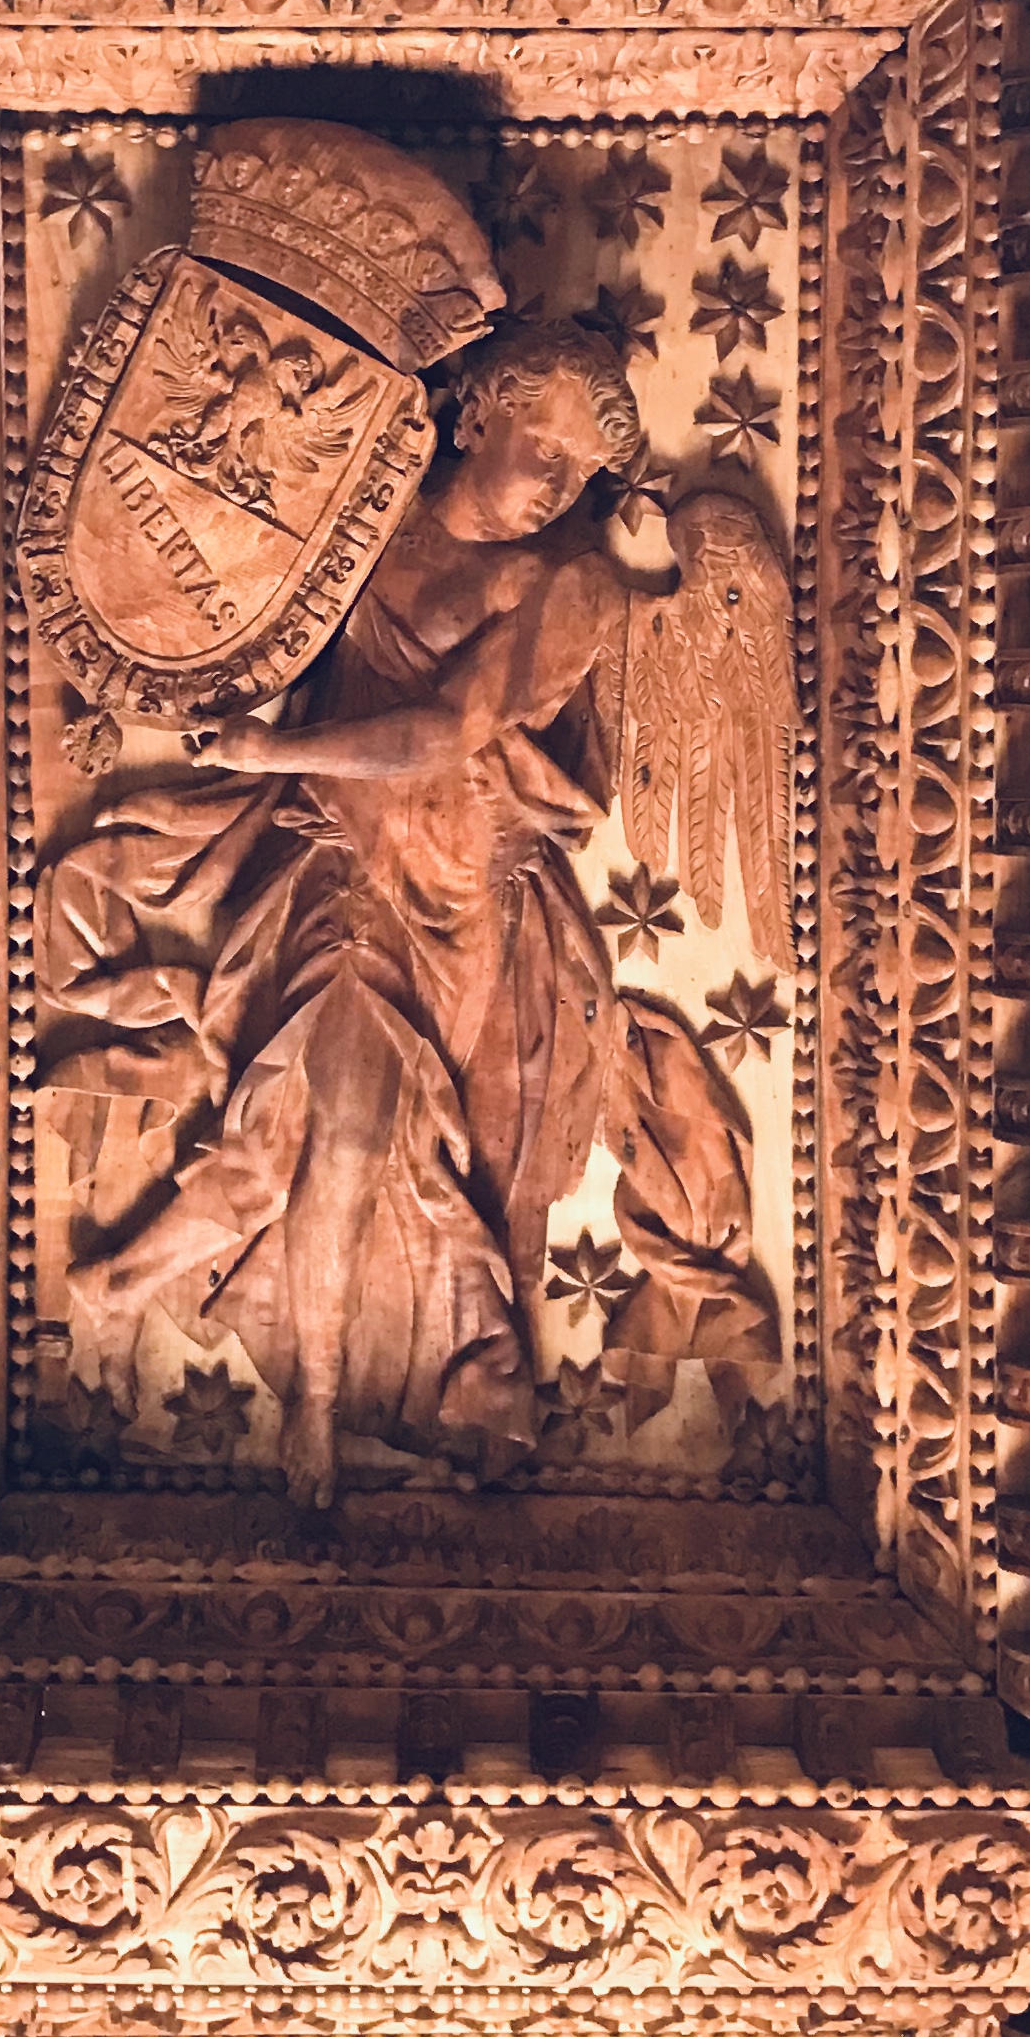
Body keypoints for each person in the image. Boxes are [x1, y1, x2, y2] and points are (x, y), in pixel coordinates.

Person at [38, 319, 776, 1504]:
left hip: (461, 893)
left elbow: (441, 731)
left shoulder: (572, 586)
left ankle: (154, 1301)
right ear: (480, 415)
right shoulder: (360, 520)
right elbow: (239, 610)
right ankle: (307, 1407)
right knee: (332, 1121)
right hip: (334, 864)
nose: (559, 488)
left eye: (582, 474)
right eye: (546, 451)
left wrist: (274, 750)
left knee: (364, 1149)